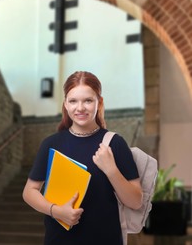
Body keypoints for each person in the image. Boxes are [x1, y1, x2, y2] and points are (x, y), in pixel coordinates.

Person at [22, 71, 142, 245]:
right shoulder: (51, 143)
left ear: (99, 103)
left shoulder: (115, 144)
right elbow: (29, 191)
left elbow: (136, 201)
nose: (80, 108)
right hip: (59, 240)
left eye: (88, 100)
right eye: (73, 101)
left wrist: (111, 170)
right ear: (65, 104)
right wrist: (56, 211)